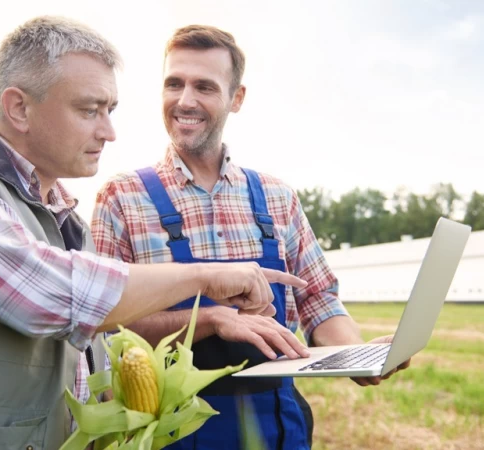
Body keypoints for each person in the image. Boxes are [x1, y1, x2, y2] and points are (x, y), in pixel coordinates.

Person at [0, 17, 307, 450]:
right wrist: (204, 279)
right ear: (19, 108)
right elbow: (46, 293)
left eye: (110, 110)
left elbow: (90, 358)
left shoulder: (66, 223)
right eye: (90, 110)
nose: (109, 131)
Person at [92, 24, 410, 449]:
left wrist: (357, 355)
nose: (185, 100)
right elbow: (103, 326)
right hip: (172, 430)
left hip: (277, 425)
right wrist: (209, 321)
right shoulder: (123, 197)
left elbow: (319, 300)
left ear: (236, 98)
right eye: (174, 84)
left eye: (204, 86)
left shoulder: (276, 197)